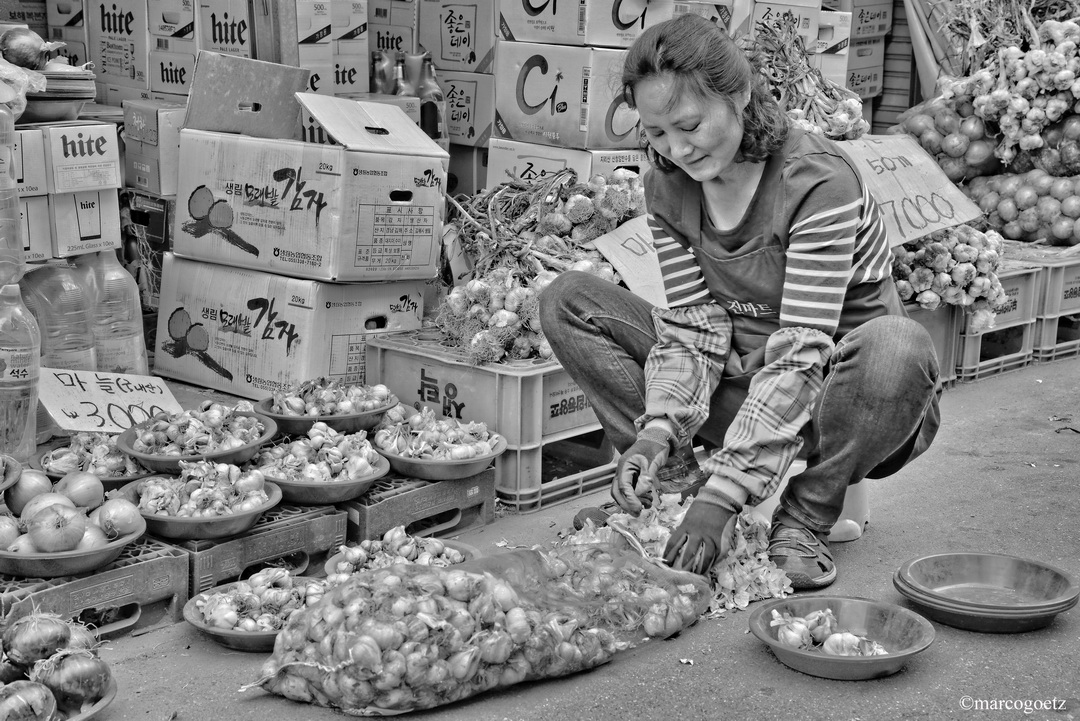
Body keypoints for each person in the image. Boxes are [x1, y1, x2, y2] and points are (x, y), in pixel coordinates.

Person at [538, 13, 943, 589]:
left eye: (689, 125)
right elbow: (693, 331)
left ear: (740, 94)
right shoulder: (667, 184)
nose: (676, 149)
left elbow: (803, 354)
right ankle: (670, 490)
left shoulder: (815, 182)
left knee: (898, 345)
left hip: (849, 402)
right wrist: (658, 432)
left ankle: (804, 516)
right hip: (743, 383)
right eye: (655, 133)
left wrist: (725, 497)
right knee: (568, 299)